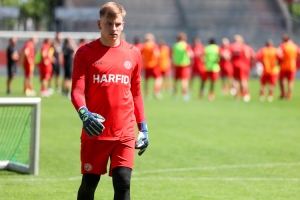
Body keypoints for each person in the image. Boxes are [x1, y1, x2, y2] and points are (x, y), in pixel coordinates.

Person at [71, 2, 149, 200]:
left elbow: (137, 93)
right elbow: (77, 91)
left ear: (123, 24)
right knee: (89, 185)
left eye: (118, 24)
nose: (114, 28)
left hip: (125, 131)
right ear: (99, 24)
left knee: (123, 184)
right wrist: (84, 114)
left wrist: (144, 128)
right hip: (95, 130)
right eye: (109, 24)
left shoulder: (133, 53)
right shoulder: (85, 52)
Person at [171, 32, 194, 101]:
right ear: (183, 38)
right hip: (184, 64)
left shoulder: (175, 45)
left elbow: (172, 55)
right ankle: (184, 95)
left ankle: (174, 95)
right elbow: (191, 54)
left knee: (176, 80)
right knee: (184, 80)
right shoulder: (186, 45)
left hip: (177, 64)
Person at [230, 34, 251, 102]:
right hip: (243, 65)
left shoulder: (232, 46)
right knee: (243, 80)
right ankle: (245, 94)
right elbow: (252, 55)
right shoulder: (245, 47)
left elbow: (227, 55)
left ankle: (236, 95)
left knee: (236, 80)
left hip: (235, 65)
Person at [141, 33, 162, 100]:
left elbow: (140, 55)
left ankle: (147, 94)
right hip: (154, 65)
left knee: (146, 81)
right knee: (159, 78)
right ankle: (156, 91)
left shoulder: (144, 46)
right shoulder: (153, 45)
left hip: (147, 65)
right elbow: (157, 54)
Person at [277, 33, 299, 100]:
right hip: (292, 66)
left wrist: (280, 60)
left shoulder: (282, 46)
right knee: (290, 81)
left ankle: (283, 93)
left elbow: (278, 54)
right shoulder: (295, 46)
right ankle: (289, 94)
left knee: (282, 80)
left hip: (284, 66)